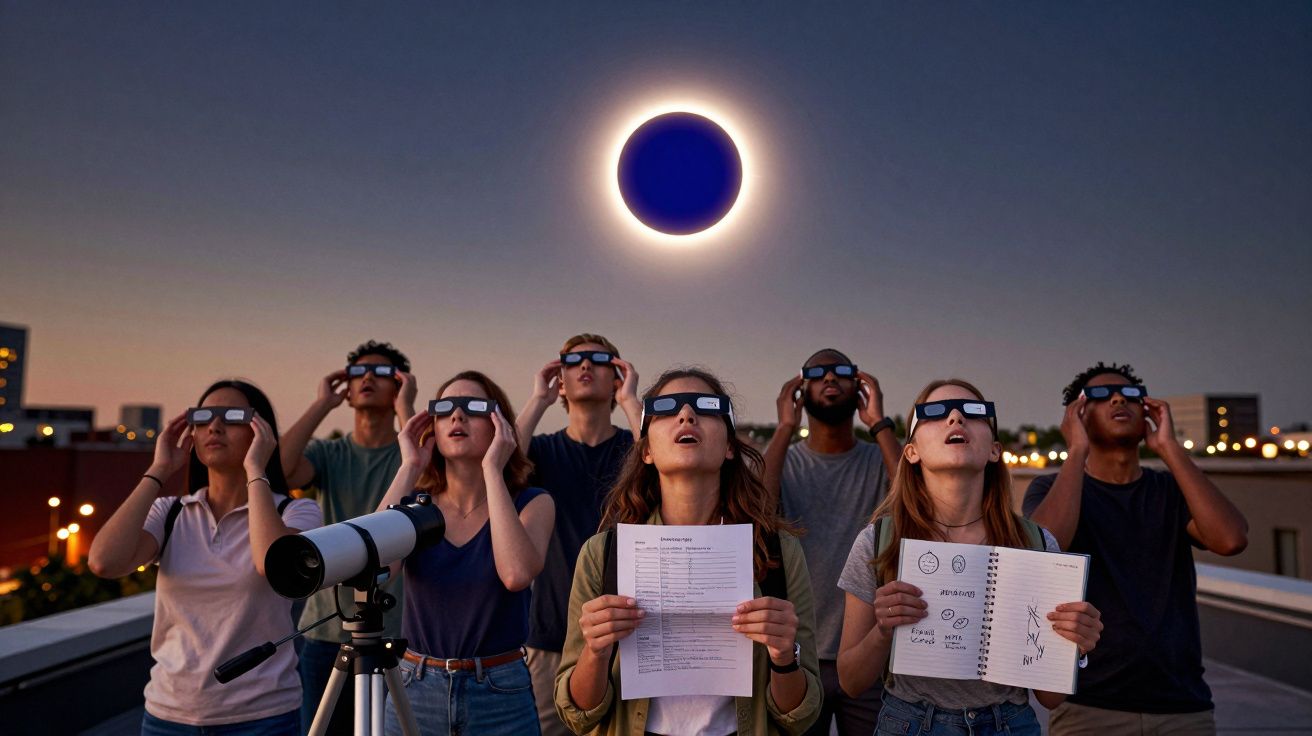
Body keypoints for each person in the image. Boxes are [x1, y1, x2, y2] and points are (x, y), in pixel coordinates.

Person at [555, 368, 823, 736]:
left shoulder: (778, 551)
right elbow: (577, 713)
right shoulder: (602, 555)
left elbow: (801, 715)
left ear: (730, 447)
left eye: (707, 407)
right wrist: (595, 653)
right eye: (666, 409)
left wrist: (783, 657)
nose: (686, 415)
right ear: (646, 450)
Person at [836, 379, 1103, 736]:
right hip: (909, 723)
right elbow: (851, 681)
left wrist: (1076, 644)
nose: (956, 417)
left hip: (1010, 724)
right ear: (911, 451)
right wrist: (883, 631)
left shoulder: (1037, 543)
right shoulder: (878, 542)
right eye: (934, 413)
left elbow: (1051, 698)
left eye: (975, 412)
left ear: (994, 450)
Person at [1024, 363, 1248, 735]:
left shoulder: (1169, 490)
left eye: (1130, 394)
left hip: (1182, 706)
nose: (1117, 398)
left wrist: (1168, 447)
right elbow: (1045, 548)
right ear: (1076, 415)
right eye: (1100, 395)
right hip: (1089, 705)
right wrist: (1076, 449)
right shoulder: (1051, 489)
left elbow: (1231, 539)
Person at [89, 380, 322, 736]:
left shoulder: (297, 512)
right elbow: (105, 562)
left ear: (260, 432)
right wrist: (159, 470)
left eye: (232, 416)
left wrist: (256, 469)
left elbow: (270, 563)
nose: (214, 426)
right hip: (168, 715)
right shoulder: (170, 512)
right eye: (203, 417)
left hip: (262, 716)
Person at [378, 370, 556, 735]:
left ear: (500, 425)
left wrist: (493, 467)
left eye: (473, 407)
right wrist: (410, 466)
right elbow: (372, 568)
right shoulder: (413, 508)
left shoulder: (533, 503)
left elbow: (516, 574)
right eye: (445, 409)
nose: (457, 416)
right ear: (432, 426)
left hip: (500, 691)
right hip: (415, 685)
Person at [278, 340, 416, 735]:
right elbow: (283, 472)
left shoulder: (409, 455)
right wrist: (322, 404)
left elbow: (428, 466)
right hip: (325, 631)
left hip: (397, 629)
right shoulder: (330, 453)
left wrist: (409, 406)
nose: (368, 377)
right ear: (346, 388)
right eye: (359, 372)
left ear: (400, 386)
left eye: (382, 373)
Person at [762, 348, 901, 735]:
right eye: (818, 373)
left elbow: (914, 499)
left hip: (870, 652)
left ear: (858, 387)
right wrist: (783, 427)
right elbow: (756, 511)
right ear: (799, 390)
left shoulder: (879, 458)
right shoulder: (784, 460)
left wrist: (879, 422)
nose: (829, 379)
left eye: (841, 372)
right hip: (800, 653)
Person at [514, 333, 643, 736]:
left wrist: (629, 401)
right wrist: (538, 399)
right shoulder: (542, 451)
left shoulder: (632, 447)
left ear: (617, 377)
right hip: (550, 635)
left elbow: (662, 460)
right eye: (573, 361)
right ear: (560, 380)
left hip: (628, 634)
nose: (585, 366)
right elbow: (498, 465)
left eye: (598, 359)